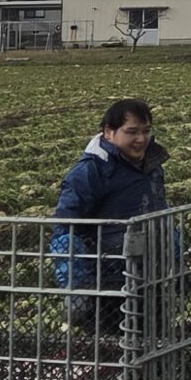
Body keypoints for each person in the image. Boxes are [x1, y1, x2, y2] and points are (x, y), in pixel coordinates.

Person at [52, 97, 168, 334]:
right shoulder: (90, 172)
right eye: (132, 132)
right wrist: (77, 288)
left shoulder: (152, 166)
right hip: (106, 284)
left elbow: (160, 214)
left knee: (152, 344)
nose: (141, 139)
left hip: (149, 276)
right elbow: (65, 229)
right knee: (111, 351)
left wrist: (173, 262)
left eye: (146, 131)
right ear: (109, 133)